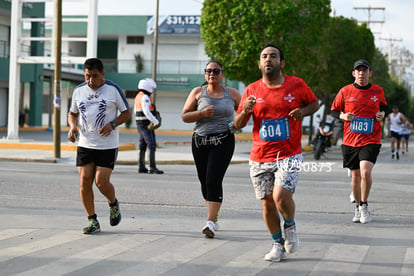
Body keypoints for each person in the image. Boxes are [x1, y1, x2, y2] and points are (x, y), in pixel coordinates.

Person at [233, 44, 319, 262]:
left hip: (289, 153)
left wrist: (302, 112)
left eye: (273, 56)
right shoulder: (251, 90)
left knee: (280, 196)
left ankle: (289, 225)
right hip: (260, 156)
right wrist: (246, 110)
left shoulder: (296, 84)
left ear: (282, 63)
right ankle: (277, 244)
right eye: (264, 56)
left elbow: (314, 104)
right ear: (259, 63)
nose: (268, 59)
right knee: (267, 203)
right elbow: (237, 124)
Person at [68, 58, 131, 234]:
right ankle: (93, 221)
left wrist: (112, 124)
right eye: (87, 76)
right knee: (84, 182)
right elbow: (72, 114)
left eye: (94, 76)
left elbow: (126, 113)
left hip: (107, 145)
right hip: (85, 143)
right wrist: (73, 127)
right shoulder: (79, 91)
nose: (90, 81)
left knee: (101, 182)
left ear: (103, 74)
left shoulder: (113, 89)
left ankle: (113, 204)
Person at [181, 60, 241, 238]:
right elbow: (184, 116)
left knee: (212, 179)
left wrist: (238, 122)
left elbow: (245, 110)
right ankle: (214, 213)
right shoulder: (198, 92)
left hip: (223, 140)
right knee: (203, 180)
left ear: (222, 74)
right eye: (208, 71)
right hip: (200, 141)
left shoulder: (232, 93)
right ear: (205, 74)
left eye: (216, 71)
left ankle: (211, 222)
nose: (211, 74)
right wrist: (201, 113)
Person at [331, 59, 387, 224]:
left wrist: (382, 114)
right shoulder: (345, 91)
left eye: (365, 70)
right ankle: (357, 207)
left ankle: (364, 205)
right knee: (355, 176)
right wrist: (343, 116)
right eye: (358, 70)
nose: (361, 73)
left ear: (370, 73)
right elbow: (334, 111)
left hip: (371, 138)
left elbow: (384, 107)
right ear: (354, 73)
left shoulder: (378, 91)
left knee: (365, 172)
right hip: (350, 140)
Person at [134, 78, 163, 174]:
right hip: (146, 124)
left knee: (142, 145)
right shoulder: (145, 97)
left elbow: (135, 111)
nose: (152, 90)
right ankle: (152, 167)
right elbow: (146, 111)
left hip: (139, 124)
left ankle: (141, 167)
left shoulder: (138, 96)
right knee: (152, 144)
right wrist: (155, 121)